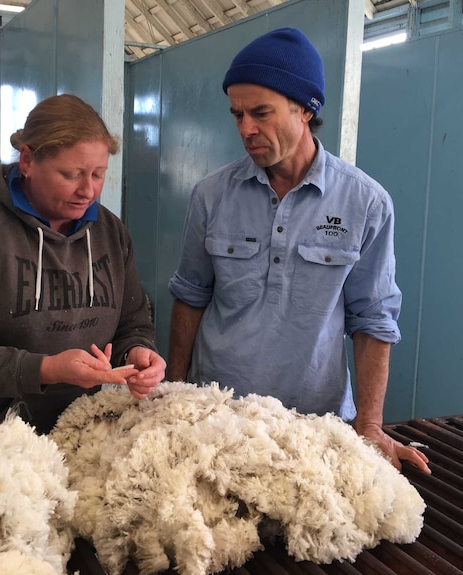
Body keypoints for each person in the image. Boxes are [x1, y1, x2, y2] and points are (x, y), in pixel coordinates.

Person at [167, 28, 429, 474]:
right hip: (217, 421)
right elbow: (190, 297)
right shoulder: (211, 195)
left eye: (261, 112)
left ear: (307, 109)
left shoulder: (365, 203)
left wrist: (369, 424)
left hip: (315, 427)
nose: (246, 128)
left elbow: (374, 319)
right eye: (237, 114)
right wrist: (170, 397)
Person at [0, 93, 165, 433]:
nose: (88, 191)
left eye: (98, 174)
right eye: (71, 174)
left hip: (78, 430)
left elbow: (132, 323)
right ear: (28, 161)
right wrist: (45, 369)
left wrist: (138, 353)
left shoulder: (110, 233)